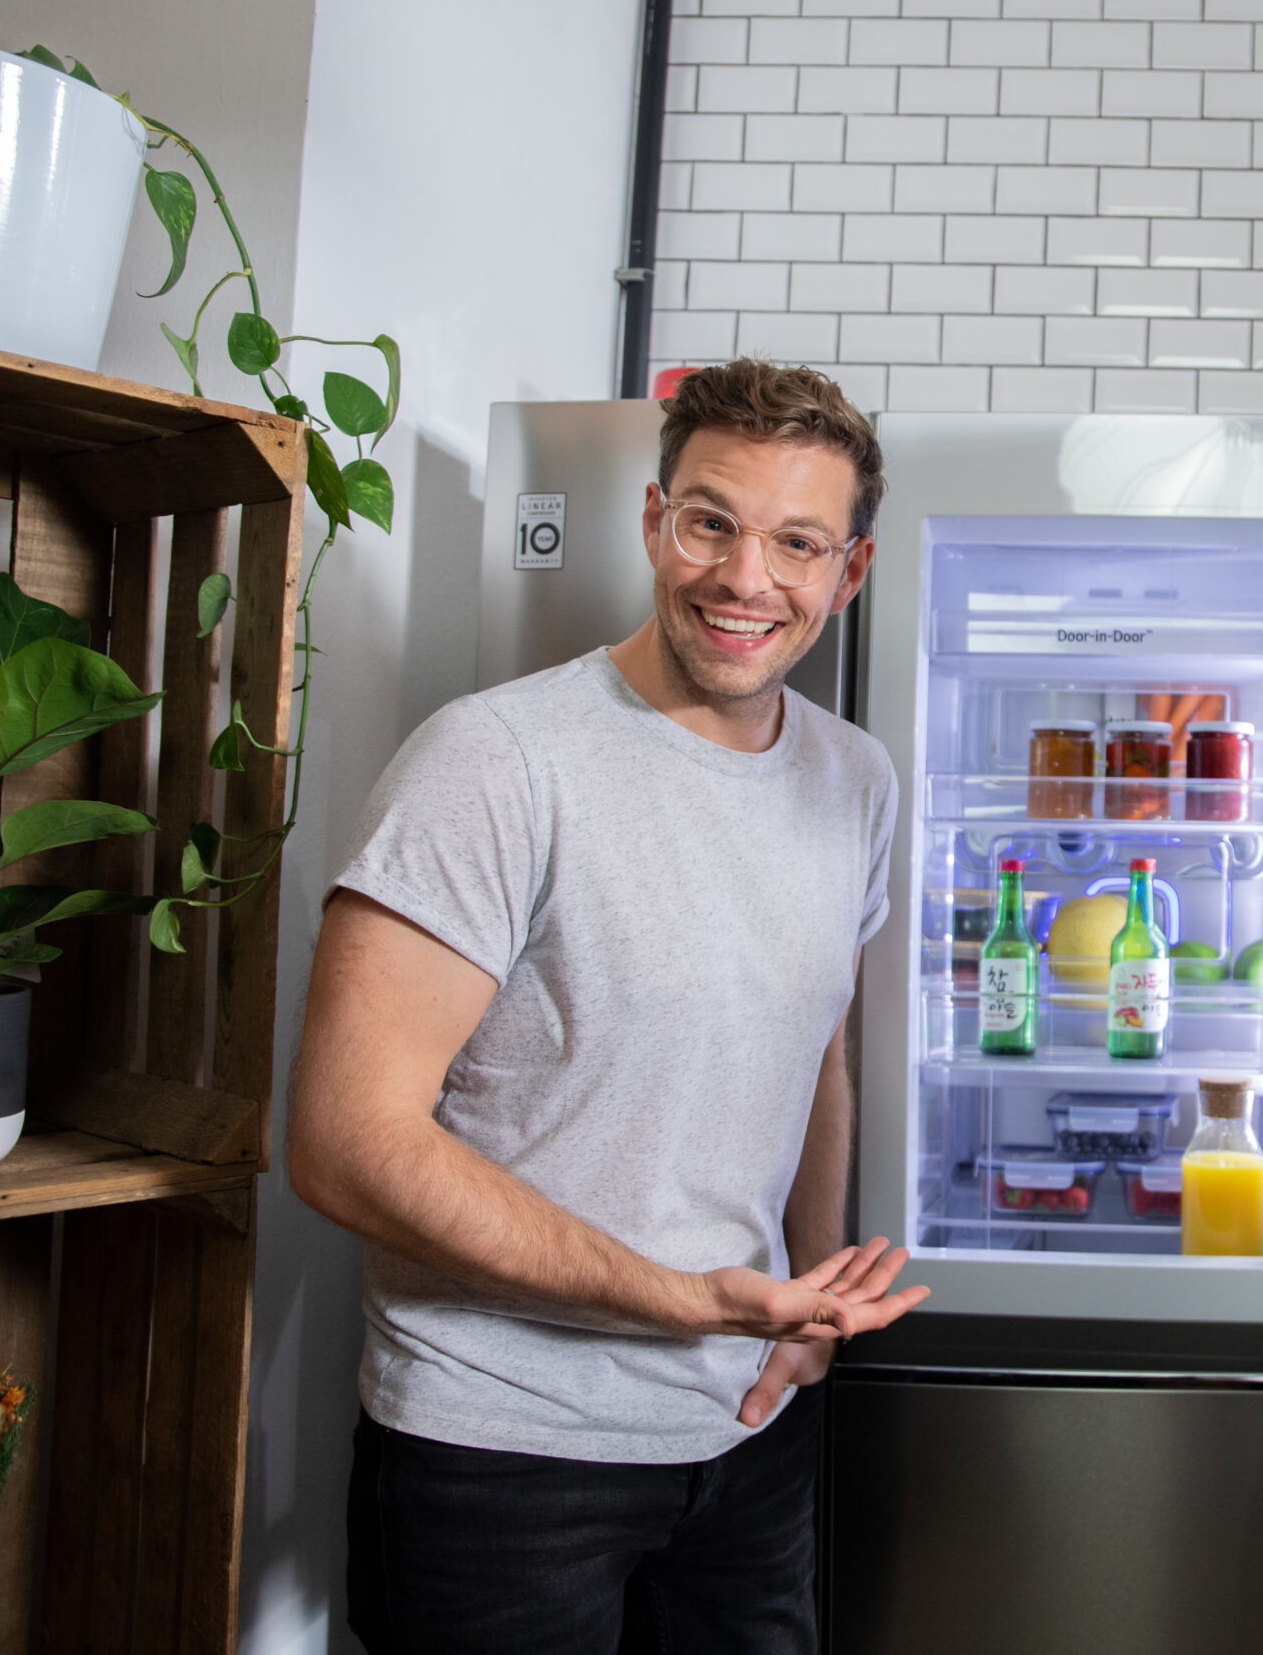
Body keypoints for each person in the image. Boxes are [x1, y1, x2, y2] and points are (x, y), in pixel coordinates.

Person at [291, 360, 928, 1653]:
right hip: (500, 1457)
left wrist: (799, 1306)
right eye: (712, 522)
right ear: (654, 522)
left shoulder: (857, 782)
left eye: (797, 542)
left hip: (745, 1438)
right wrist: (685, 1297)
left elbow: (821, 1054)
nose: (747, 578)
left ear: (847, 573)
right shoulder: (496, 760)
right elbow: (343, 1140)